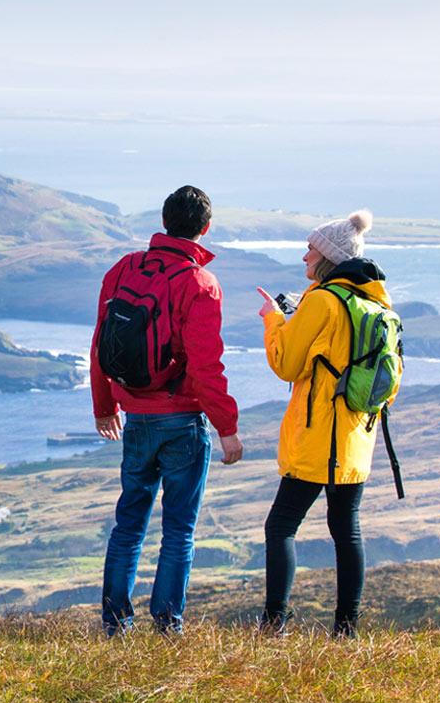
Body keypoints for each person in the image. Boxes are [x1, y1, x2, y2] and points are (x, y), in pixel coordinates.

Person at [90, 185, 243, 636]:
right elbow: (205, 364)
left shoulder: (124, 269)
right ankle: (167, 626)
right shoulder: (199, 283)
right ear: (205, 229)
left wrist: (104, 406)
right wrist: (226, 428)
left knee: (128, 524)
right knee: (178, 530)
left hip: (135, 417)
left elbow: (101, 342)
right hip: (181, 422)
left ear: (164, 220)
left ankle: (116, 625)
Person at [254, 209, 392, 638]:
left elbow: (286, 364)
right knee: (346, 529)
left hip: (318, 438)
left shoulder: (323, 301)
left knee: (280, 526)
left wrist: (274, 320)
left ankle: (274, 623)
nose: (304, 258)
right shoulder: (373, 303)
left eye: (310, 250)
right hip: (356, 436)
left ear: (328, 256)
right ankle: (346, 629)